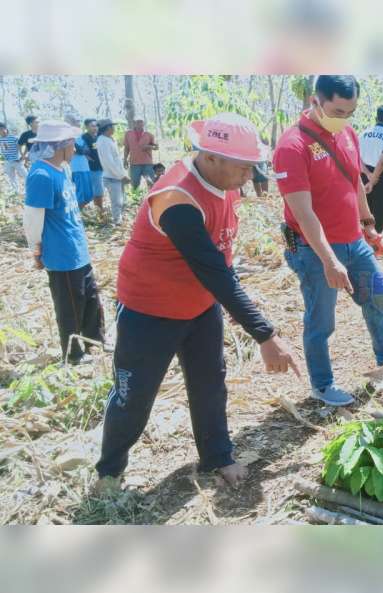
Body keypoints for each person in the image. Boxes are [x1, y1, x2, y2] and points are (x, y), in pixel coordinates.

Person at [96, 113, 300, 487]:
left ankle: (217, 456)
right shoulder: (177, 198)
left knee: (210, 382)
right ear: (210, 158)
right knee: (134, 397)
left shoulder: (225, 181)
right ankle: (109, 472)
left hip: (200, 305)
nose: (248, 176)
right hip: (150, 310)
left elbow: (220, 263)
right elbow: (214, 271)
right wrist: (266, 335)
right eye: (243, 168)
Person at [273, 75, 383, 407]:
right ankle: (322, 386)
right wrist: (329, 260)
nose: (343, 118)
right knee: (321, 320)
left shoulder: (348, 133)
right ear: (316, 101)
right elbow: (304, 212)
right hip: (314, 250)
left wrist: (367, 224)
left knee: (379, 298)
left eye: (350, 111)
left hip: (353, 242)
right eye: (337, 110)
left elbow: (353, 181)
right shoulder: (292, 146)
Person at [21, 120, 105, 365]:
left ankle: (94, 343)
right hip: (61, 255)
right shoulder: (41, 174)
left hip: (77, 249)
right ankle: (74, 354)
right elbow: (33, 217)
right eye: (72, 144)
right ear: (60, 146)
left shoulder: (63, 169)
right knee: (70, 306)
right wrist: (36, 249)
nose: (75, 149)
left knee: (90, 298)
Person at [359, 105, 383, 235]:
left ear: (376, 118)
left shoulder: (363, 133)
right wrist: (374, 179)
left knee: (365, 206)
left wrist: (368, 175)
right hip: (381, 176)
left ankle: (366, 236)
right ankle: (376, 239)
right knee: (380, 208)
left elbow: (357, 158)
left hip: (364, 174)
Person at [96, 119, 129, 226]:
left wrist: (123, 174)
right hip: (112, 176)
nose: (114, 129)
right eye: (112, 127)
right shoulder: (103, 141)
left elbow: (116, 160)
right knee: (117, 201)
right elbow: (108, 162)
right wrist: (120, 175)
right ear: (107, 128)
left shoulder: (109, 139)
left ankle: (119, 219)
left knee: (121, 200)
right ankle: (117, 221)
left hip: (117, 175)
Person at [64, 115, 94, 209]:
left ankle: (80, 212)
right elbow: (78, 150)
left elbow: (86, 150)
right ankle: (77, 214)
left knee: (89, 194)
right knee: (81, 194)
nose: (79, 123)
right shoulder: (67, 136)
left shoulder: (80, 136)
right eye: (77, 121)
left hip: (85, 166)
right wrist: (81, 150)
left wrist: (81, 150)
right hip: (76, 168)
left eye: (79, 121)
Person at [123, 118, 158, 190]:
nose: (140, 124)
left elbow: (155, 147)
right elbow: (126, 148)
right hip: (134, 163)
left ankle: (150, 198)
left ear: (144, 123)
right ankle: (136, 199)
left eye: (141, 122)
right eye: (138, 122)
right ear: (134, 123)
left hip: (147, 163)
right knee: (134, 184)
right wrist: (125, 159)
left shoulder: (149, 135)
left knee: (150, 182)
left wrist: (149, 146)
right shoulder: (128, 134)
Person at [82, 118, 106, 214]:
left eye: (96, 126)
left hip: (101, 167)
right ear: (87, 127)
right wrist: (88, 158)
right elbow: (83, 151)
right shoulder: (84, 137)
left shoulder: (100, 136)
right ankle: (97, 211)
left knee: (99, 190)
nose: (95, 128)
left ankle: (99, 210)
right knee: (93, 191)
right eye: (92, 126)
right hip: (90, 168)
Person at [0, 123, 27, 196]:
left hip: (17, 160)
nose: (1, 131)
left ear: (6, 129)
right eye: (0, 130)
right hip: (8, 161)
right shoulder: (0, 139)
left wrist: (22, 156)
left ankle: (30, 189)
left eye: (2, 129)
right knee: (12, 177)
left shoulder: (14, 138)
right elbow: (2, 150)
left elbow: (22, 146)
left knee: (25, 175)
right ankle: (16, 191)